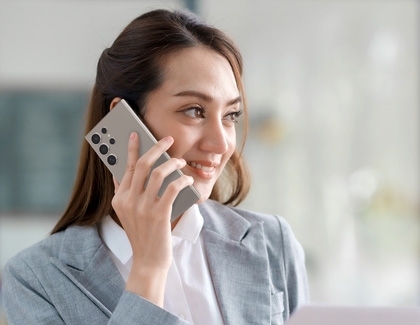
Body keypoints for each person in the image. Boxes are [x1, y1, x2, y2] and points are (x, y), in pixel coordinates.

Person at [2, 8, 309, 324]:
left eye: (230, 115)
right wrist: (148, 267)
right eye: (194, 111)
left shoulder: (272, 242)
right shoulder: (34, 279)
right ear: (125, 120)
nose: (221, 144)